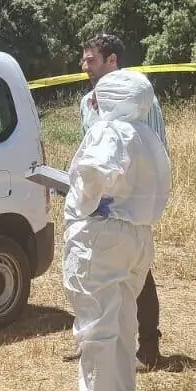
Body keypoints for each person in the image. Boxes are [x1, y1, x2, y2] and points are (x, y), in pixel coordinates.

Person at [50, 69, 171, 391]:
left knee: (95, 329)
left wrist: (83, 199)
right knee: (122, 325)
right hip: (137, 236)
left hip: (102, 236)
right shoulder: (148, 136)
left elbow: (94, 172)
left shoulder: (109, 131)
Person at [75, 32, 167, 370]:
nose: (84, 66)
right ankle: (91, 340)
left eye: (91, 60)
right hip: (96, 202)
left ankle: (148, 346)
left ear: (112, 60)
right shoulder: (87, 103)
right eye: (84, 59)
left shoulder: (144, 102)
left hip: (129, 202)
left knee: (136, 272)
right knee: (91, 270)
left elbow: (153, 149)